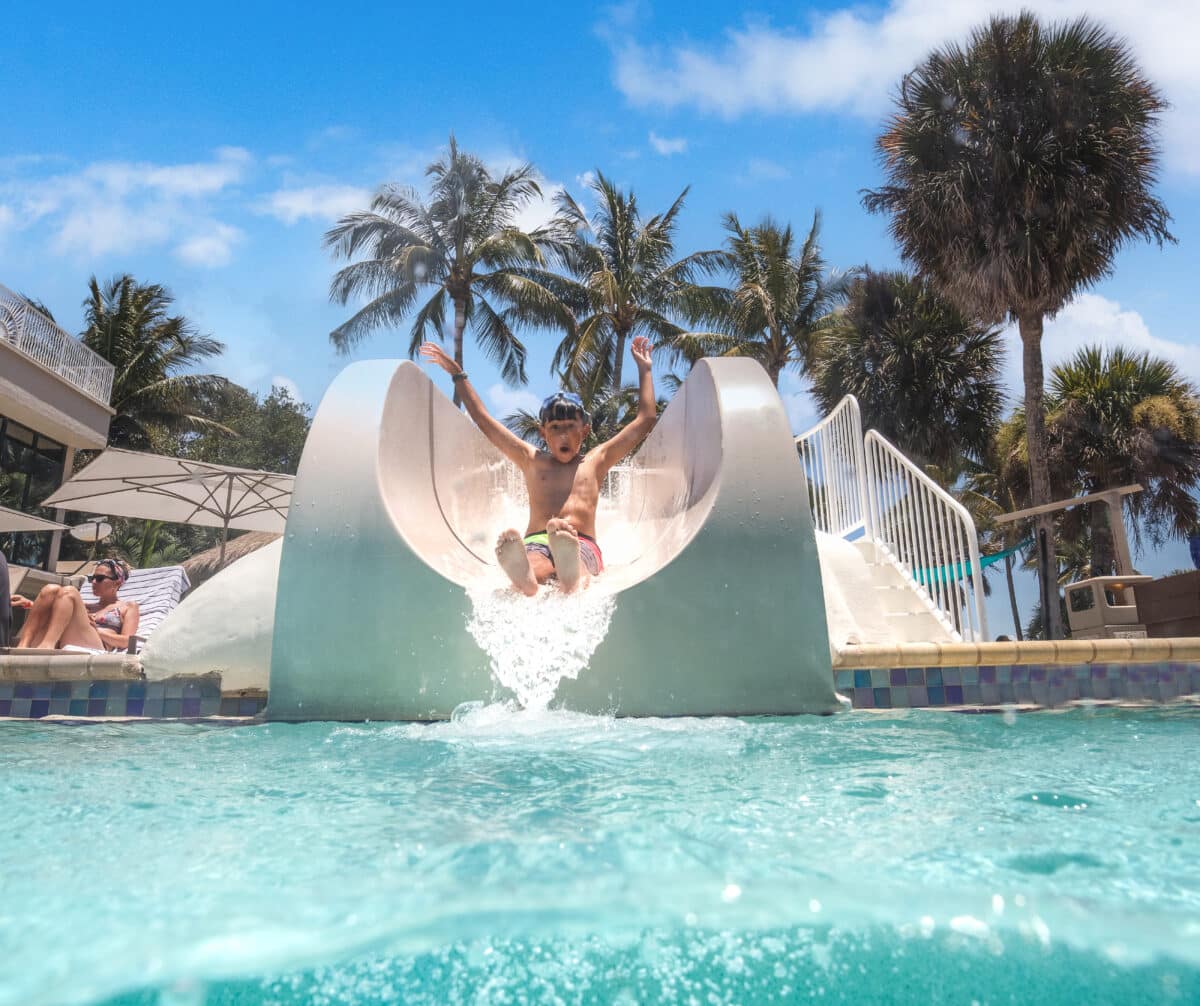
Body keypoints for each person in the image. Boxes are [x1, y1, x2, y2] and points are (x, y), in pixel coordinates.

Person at [420, 335, 658, 595]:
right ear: (543, 434)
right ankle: (528, 580)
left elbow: (645, 420)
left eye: (570, 428)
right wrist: (458, 375)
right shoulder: (531, 459)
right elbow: (484, 420)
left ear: (585, 431)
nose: (563, 435)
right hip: (536, 540)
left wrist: (645, 369)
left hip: (583, 542)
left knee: (580, 567)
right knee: (535, 563)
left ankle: (569, 577)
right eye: (555, 429)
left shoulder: (596, 461)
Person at [15, 558, 140, 651]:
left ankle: (47, 645)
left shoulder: (128, 607)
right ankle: (23, 645)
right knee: (50, 589)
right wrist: (30, 603)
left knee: (70, 592)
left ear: (117, 583)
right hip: (70, 639)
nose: (94, 582)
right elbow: (60, 610)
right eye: (92, 578)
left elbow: (127, 642)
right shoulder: (87, 606)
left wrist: (97, 631)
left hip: (99, 647)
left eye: (100, 578)